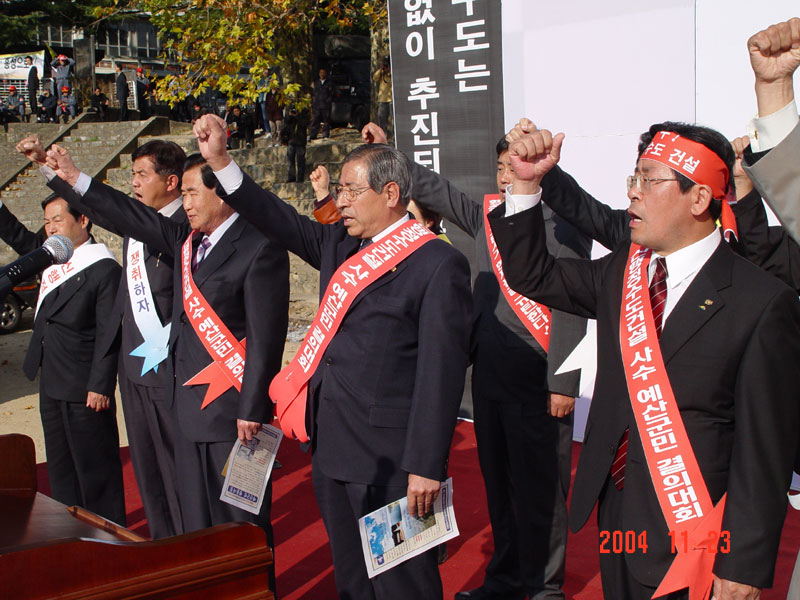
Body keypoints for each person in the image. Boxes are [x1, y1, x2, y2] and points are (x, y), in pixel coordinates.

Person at [488, 122, 800, 600]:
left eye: (649, 180)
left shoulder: (760, 300)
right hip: (618, 513)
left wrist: (744, 564)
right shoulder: (623, 271)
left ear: (699, 198)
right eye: (633, 178)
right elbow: (534, 275)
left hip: (696, 527)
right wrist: (527, 185)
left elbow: (764, 449)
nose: (632, 193)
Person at [193, 113, 472, 600]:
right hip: (333, 451)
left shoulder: (438, 263)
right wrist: (220, 161)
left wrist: (427, 464)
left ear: (390, 193)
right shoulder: (340, 245)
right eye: (339, 190)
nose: (339, 201)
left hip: (393, 462)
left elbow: (440, 374)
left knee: (404, 587)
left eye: (350, 191)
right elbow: (274, 216)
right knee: (352, 583)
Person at [44, 143, 288, 592]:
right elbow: (126, 215)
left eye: (193, 193)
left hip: (235, 418)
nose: (186, 204)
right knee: (197, 529)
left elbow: (266, 339)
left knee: (242, 531)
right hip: (188, 411)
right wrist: (72, 178)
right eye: (185, 194)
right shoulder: (185, 241)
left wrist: (253, 408)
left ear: (221, 193)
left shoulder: (259, 247)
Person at [365, 122, 590, 599]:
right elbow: (436, 190)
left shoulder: (563, 224)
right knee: (500, 487)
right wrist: (387, 151)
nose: (507, 176)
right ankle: (505, 579)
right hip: (489, 375)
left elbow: (572, 306)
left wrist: (564, 383)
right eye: (502, 167)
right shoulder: (490, 217)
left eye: (515, 166)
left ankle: (544, 588)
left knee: (542, 492)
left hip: (538, 378)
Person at [21, 136, 189, 539]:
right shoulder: (136, 225)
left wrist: (74, 175)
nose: (134, 182)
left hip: (168, 367)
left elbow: (109, 212)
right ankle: (157, 550)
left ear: (171, 182)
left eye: (142, 174)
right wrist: (52, 173)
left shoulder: (182, 226)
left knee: (176, 476)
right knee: (148, 476)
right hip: (135, 371)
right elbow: (103, 211)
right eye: (132, 174)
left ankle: (182, 548)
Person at [0, 181, 124, 525]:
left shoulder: (104, 268)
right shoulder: (53, 257)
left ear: (83, 220)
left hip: (84, 387)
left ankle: (107, 536)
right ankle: (69, 532)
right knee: (60, 468)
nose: (51, 228)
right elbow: (20, 238)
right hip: (51, 381)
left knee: (95, 472)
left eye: (57, 220)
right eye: (47, 222)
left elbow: (109, 333)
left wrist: (100, 384)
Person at [281, 104, 309, 182]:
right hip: (291, 139)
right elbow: (286, 122)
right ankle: (291, 177)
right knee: (290, 161)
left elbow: (304, 124)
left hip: (300, 140)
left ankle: (300, 178)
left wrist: (297, 116)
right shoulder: (289, 108)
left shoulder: (305, 111)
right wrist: (290, 116)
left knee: (300, 161)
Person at [309, 67, 333, 140]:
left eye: (323, 73)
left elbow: (332, 93)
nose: (322, 74)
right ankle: (313, 135)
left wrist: (328, 101)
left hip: (326, 105)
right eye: (321, 73)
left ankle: (325, 134)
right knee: (315, 121)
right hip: (317, 105)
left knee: (326, 121)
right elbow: (312, 93)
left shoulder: (329, 83)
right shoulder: (316, 83)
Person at [373, 58, 392, 134]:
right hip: (382, 100)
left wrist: (390, 70)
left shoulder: (392, 73)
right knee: (381, 120)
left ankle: (394, 137)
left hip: (392, 100)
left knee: (393, 120)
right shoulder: (382, 73)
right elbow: (375, 78)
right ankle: (383, 136)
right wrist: (381, 69)